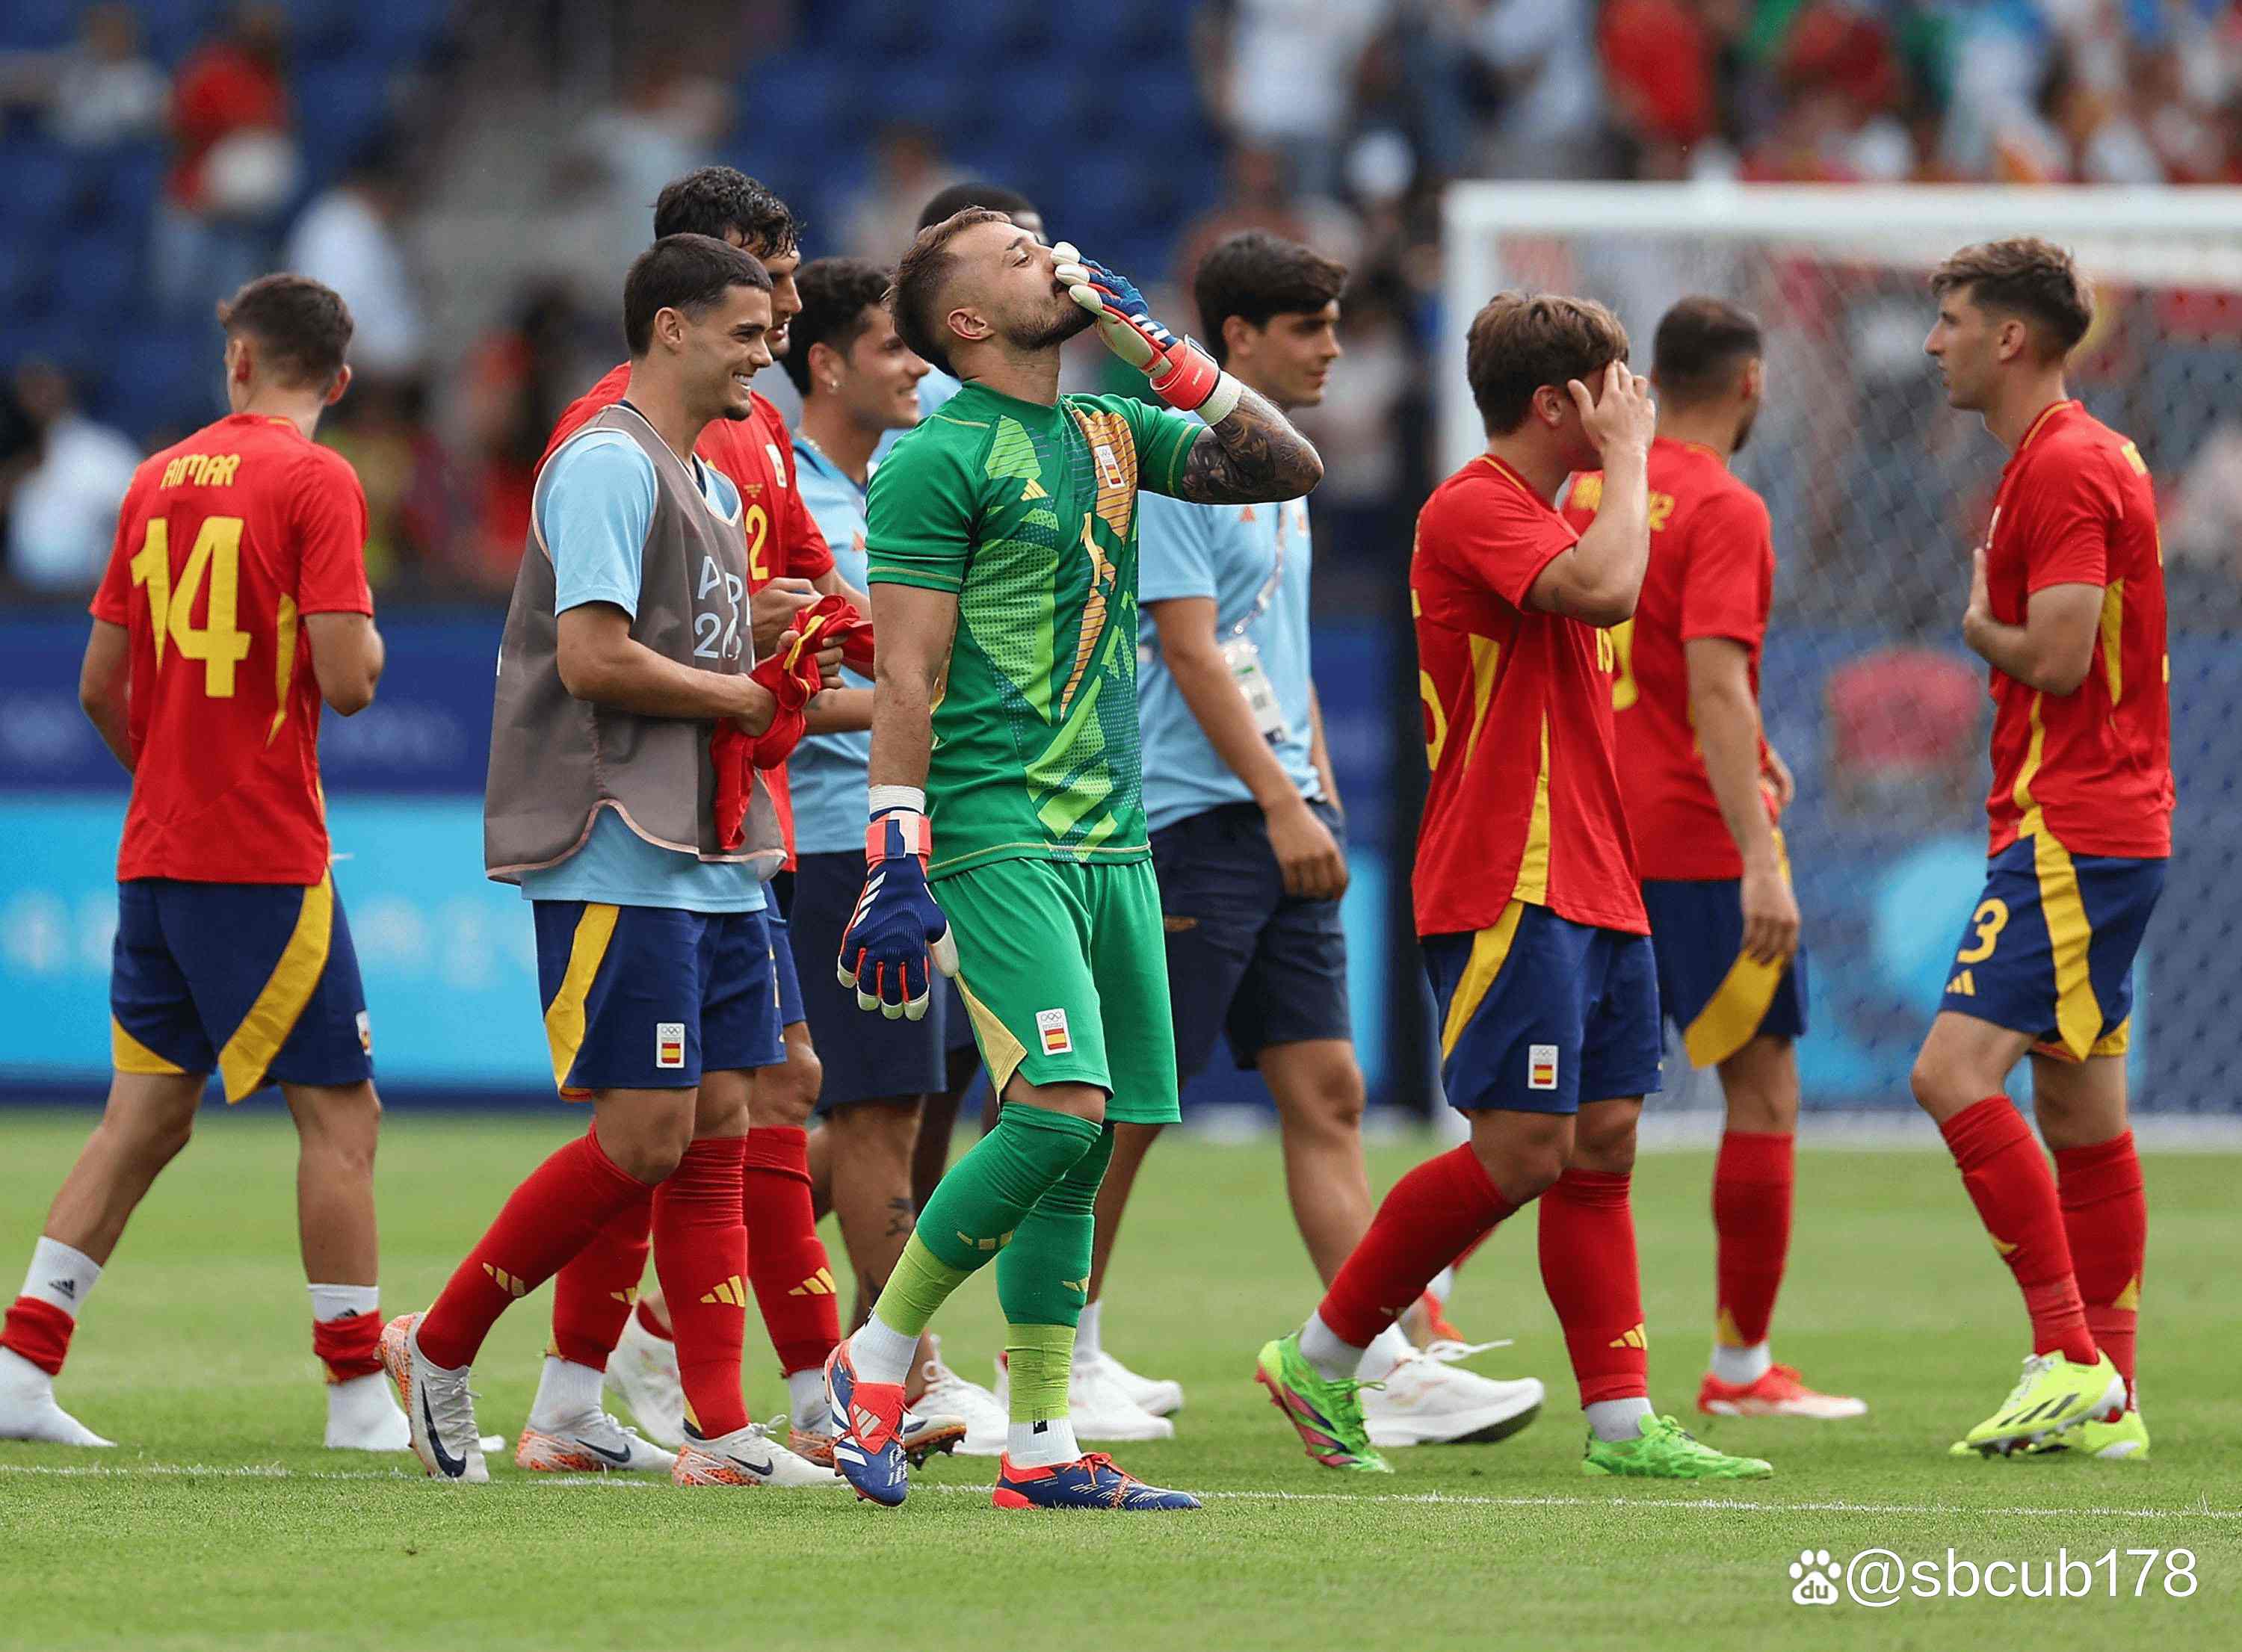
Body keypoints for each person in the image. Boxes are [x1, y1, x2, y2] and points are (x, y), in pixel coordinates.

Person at [822, 208, 1323, 1512]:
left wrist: (1151, 340)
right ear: (966, 322)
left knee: (1090, 1143)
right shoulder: (934, 458)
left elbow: (1285, 464)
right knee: (1059, 1109)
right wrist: (894, 852)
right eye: (1012, 253)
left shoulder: (1111, 429)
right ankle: (875, 1357)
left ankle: (1040, 1441)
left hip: (1117, 835)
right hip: (998, 829)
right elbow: (908, 672)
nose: (1048, 256)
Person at [1256, 292, 1776, 1481]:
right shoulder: (1474, 504)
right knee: (1523, 1150)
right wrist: (1635, 459)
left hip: (1598, 874)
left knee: (1602, 1145)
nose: (1634, 403)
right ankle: (1323, 1357)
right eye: (1614, 384)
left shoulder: (1548, 514)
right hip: (1511, 875)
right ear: (1556, 404)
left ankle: (1623, 1424)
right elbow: (1607, 592)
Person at [381, 236, 833, 1488]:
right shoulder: (605, 464)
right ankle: (440, 1342)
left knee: (720, 1124)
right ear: (671, 327)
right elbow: (590, 656)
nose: (767, 353)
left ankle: (721, 1430)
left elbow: (678, 642)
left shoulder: (696, 474)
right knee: (642, 1136)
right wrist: (739, 691)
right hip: (615, 841)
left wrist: (767, 636)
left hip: (710, 844)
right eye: (746, 332)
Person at [1087, 230, 1542, 1450]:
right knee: (1133, 1100)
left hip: (1282, 810)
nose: (1336, 348)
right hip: (1193, 817)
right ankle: (1065, 1351)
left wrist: (1316, 791)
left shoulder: (1281, 465)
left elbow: (1266, 649)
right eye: (1309, 327)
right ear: (1236, 336)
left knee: (1332, 1091)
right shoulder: (1176, 456)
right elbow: (1189, 648)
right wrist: (1283, 803)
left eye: (1337, 324)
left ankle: (1373, 1360)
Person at [522, 168, 918, 1476]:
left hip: (744, 816)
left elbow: (815, 592)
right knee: (664, 1121)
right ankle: (530, 1365)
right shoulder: (618, 438)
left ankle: (724, 1394)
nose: (788, 312)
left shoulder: (740, 433)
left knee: (755, 1095)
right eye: (769, 287)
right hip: (654, 818)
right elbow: (605, 645)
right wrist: (755, 673)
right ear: (698, 288)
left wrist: (918, 669)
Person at [0, 275, 402, 1454]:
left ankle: (20, 1368)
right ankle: (357, 1397)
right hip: (262, 853)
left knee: (143, 1118)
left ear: (238, 362)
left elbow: (98, 687)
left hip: (157, 851)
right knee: (343, 1118)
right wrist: (366, 638)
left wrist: (176, 774)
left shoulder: (153, 478)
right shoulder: (318, 479)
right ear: (339, 378)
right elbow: (350, 680)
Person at [1561, 297, 1865, 1422]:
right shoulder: (1728, 506)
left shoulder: (1587, 490)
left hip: (1588, 831)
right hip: (1693, 841)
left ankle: (1420, 1316)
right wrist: (1762, 861)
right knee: (1763, 1090)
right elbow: (1715, 684)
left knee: (1555, 1112)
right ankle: (1741, 1370)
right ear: (1751, 383)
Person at [1915, 238, 2167, 1461]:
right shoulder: (2074, 455)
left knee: (1950, 1075)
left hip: (2072, 824)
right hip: (2100, 820)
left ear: (2010, 337)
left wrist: (1982, 632)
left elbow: (2061, 657)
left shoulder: (2064, 465)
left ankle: (2069, 1356)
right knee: (2080, 1112)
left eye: (1953, 320)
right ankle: (2110, 1400)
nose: (1934, 343)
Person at [780, 256, 1010, 1453]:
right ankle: (908, 1373)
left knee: (863, 1115)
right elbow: (785, 687)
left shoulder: (895, 481)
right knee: (877, 1116)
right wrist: (921, 705)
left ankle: (663, 1319)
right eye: (888, 346)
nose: (915, 365)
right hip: (832, 835)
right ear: (825, 364)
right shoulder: (788, 498)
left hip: (908, 830)